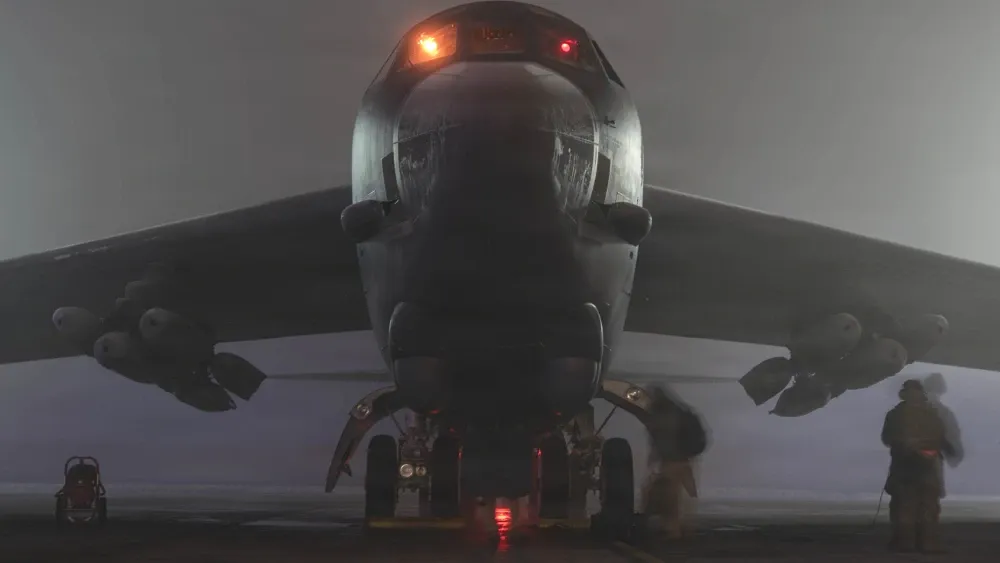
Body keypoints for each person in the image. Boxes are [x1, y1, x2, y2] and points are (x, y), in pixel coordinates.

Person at [881, 379, 956, 553]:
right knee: (911, 506)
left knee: (919, 506)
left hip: (919, 465)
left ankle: (917, 543)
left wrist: (915, 445)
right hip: (911, 465)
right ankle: (915, 543)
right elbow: (888, 438)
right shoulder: (904, 414)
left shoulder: (903, 414)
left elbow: (939, 435)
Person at [641, 384, 707, 539]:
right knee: (690, 493)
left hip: (671, 460)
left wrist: (654, 456)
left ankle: (673, 530)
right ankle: (689, 526)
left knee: (671, 497)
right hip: (687, 458)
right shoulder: (681, 411)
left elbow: (660, 438)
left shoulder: (659, 414)